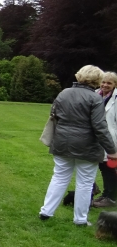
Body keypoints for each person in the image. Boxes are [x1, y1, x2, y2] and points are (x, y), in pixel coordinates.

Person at [38, 65, 117, 226]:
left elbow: (55, 115)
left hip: (62, 142)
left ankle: (46, 211)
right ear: (97, 80)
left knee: (59, 177)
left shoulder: (64, 93)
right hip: (87, 146)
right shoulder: (95, 98)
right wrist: (112, 150)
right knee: (85, 182)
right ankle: (80, 219)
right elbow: (100, 127)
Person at [93, 72, 117, 208]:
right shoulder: (96, 95)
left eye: (109, 83)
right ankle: (105, 194)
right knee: (101, 167)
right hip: (96, 139)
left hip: (111, 140)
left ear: (115, 84)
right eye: (103, 82)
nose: (105, 85)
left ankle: (110, 198)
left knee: (110, 169)